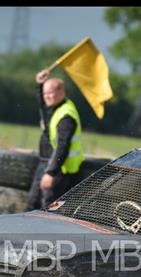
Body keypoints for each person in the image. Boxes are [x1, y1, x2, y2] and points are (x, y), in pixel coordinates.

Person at [26, 69, 85, 210]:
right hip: (49, 163)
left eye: (50, 93)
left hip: (60, 170)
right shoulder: (56, 108)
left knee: (49, 208)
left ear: (61, 91)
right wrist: (40, 85)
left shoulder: (66, 115)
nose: (47, 97)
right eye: (45, 94)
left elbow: (62, 146)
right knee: (33, 203)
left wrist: (51, 173)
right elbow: (44, 106)